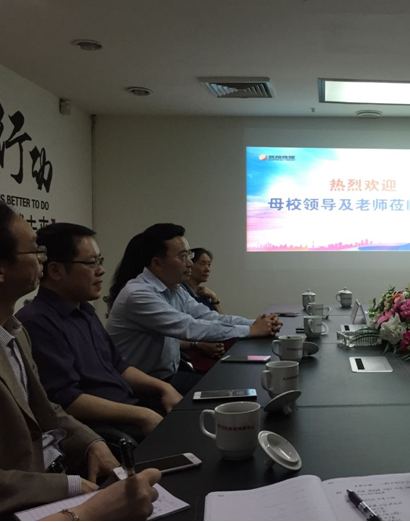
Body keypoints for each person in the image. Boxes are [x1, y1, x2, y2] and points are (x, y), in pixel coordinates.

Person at [0, 202, 160, 518]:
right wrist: (71, 487)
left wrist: (91, 442)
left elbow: (47, 410)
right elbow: (66, 399)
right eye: (34, 251)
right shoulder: (36, 321)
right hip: (36, 495)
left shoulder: (15, 332)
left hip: (62, 469)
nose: (42, 259)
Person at [16, 224, 183, 442]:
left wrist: (163, 387)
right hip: (107, 430)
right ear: (56, 271)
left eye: (99, 260)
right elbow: (67, 400)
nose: (101, 270)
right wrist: (142, 415)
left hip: (131, 408)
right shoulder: (38, 322)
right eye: (91, 263)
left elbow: (119, 365)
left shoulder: (84, 310)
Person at [106, 223, 281, 394]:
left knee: (236, 386)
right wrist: (251, 330)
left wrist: (255, 324)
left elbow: (208, 316)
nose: (190, 263)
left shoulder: (175, 289)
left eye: (189, 255)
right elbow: (190, 327)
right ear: (157, 263)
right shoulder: (138, 294)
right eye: (183, 256)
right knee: (231, 391)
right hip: (138, 388)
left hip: (167, 377)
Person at [183, 248, 223, 313]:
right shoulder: (181, 291)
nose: (207, 269)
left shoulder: (204, 294)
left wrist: (214, 298)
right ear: (189, 264)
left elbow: (221, 318)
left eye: (209, 265)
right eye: (202, 264)